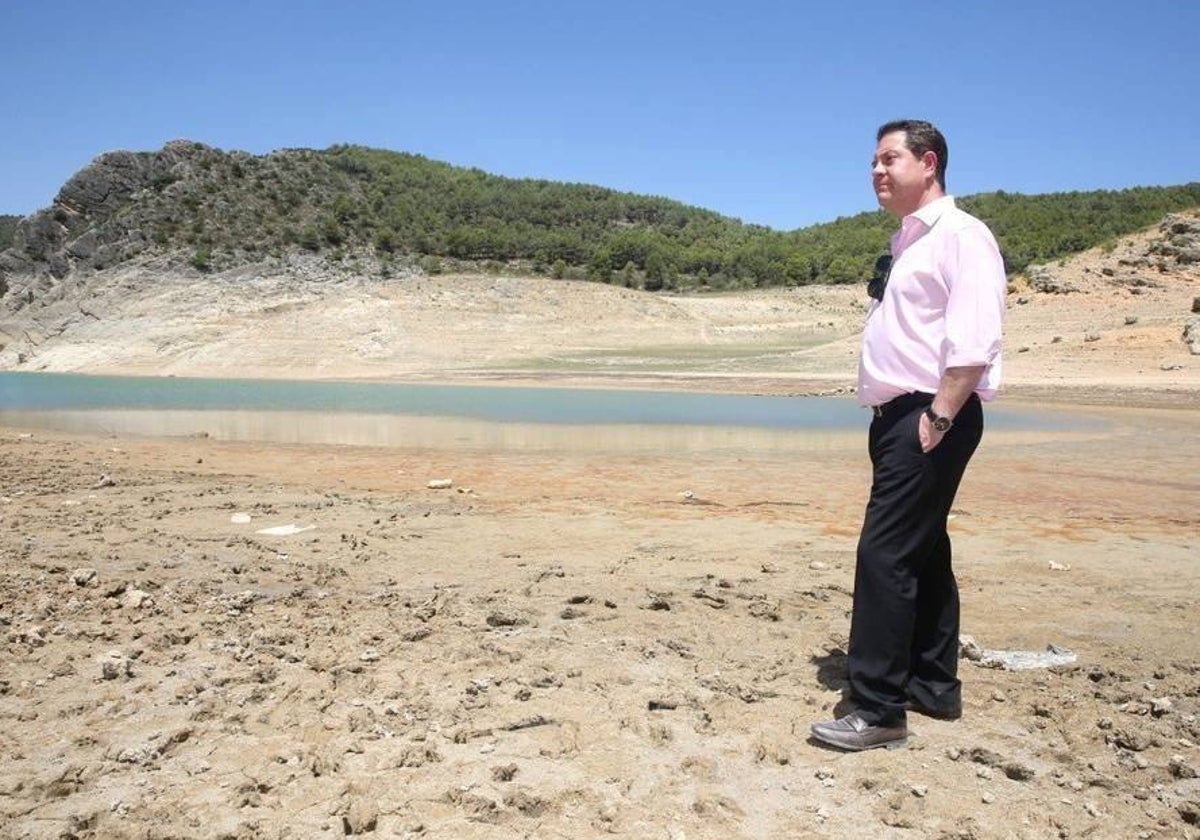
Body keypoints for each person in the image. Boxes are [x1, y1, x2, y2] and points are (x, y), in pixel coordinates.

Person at [810, 119, 1007, 751]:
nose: (876, 171)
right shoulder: (907, 243)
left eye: (888, 159)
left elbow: (975, 340)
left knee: (884, 554)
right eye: (872, 160)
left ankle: (877, 709)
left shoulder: (961, 236)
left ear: (928, 163)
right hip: (904, 416)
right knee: (924, 550)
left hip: (931, 413)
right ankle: (932, 687)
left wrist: (939, 416)